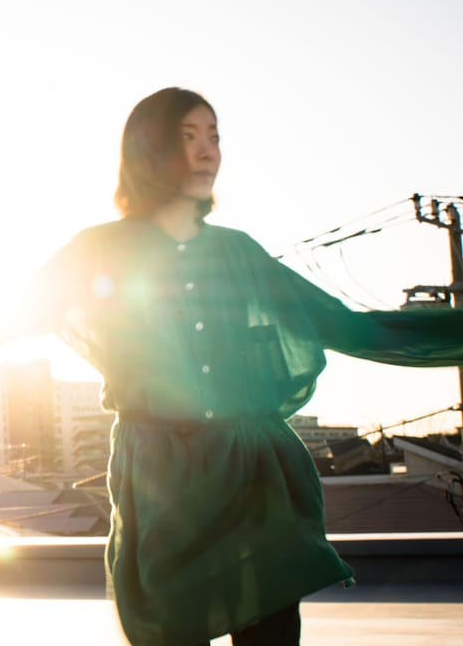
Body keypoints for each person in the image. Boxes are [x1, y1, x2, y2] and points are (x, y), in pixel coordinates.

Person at [26, 87, 463, 645]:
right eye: (188, 137)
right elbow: (9, 316)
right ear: (148, 151)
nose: (207, 152)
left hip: (253, 476)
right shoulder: (97, 249)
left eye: (214, 137)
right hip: (162, 482)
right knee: (170, 630)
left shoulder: (238, 252)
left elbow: (349, 327)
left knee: (271, 632)